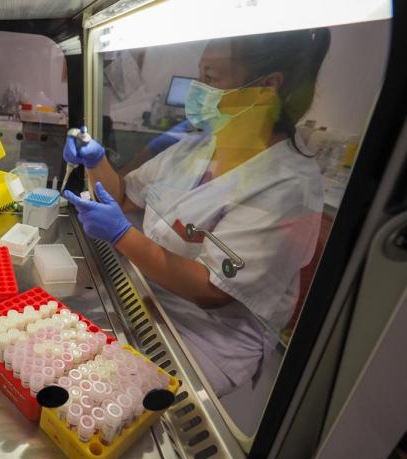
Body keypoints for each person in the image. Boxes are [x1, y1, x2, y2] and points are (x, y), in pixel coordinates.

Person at [64, 28, 331, 396]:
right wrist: (96, 162)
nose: (198, 88)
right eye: (200, 73)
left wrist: (123, 236)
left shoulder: (289, 186)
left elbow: (212, 289)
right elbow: (124, 197)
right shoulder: (201, 146)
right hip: (150, 296)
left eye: (211, 77)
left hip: (210, 338)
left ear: (267, 86)